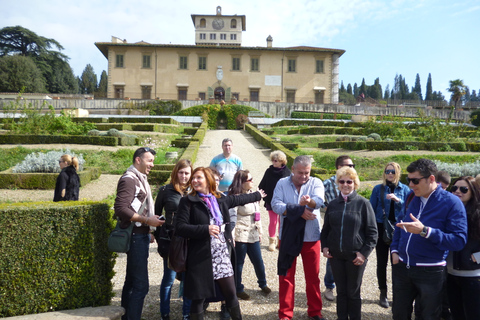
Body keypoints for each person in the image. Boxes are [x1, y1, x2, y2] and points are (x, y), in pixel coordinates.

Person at [175, 167, 266, 320]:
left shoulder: (219, 199)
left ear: (208, 180)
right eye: (194, 178)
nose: (194, 180)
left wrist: (257, 195)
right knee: (199, 298)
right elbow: (180, 228)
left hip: (221, 256)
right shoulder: (187, 201)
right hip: (200, 258)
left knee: (231, 293)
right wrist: (205, 229)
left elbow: (238, 199)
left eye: (199, 178)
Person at [392, 158, 468, 320]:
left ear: (431, 179)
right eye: (408, 180)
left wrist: (426, 231)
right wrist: (395, 250)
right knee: (399, 314)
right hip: (402, 268)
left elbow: (459, 240)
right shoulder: (411, 197)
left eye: (415, 180)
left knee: (428, 316)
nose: (411, 185)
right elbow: (400, 223)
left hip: (431, 272)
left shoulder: (452, 203)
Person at [271, 155, 325, 320]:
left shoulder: (315, 182)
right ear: (292, 169)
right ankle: (285, 314)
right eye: (300, 172)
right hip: (288, 237)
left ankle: (315, 311)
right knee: (286, 276)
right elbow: (275, 204)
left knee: (313, 277)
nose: (303, 176)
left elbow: (319, 200)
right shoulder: (282, 183)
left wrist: (309, 203)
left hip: (311, 237)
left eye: (306, 173)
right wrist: (299, 210)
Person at [321, 166, 378, 320]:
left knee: (353, 292)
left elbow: (372, 233)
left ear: (355, 184)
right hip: (336, 256)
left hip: (355, 257)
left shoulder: (363, 204)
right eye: (342, 181)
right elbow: (325, 230)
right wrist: (325, 246)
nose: (345, 184)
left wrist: (364, 253)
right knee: (341, 291)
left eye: (349, 181)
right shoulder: (332, 204)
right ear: (338, 183)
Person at [114, 147, 164, 320]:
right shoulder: (129, 179)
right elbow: (120, 209)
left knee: (131, 282)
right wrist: (146, 221)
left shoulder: (139, 178)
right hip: (135, 237)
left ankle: (126, 316)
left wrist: (148, 228)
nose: (152, 164)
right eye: (149, 160)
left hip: (140, 235)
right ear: (138, 160)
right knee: (141, 286)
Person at [153, 159, 193, 320]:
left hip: (190, 240)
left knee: (188, 278)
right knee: (169, 279)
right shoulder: (165, 190)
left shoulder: (194, 191)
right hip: (171, 240)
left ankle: (186, 313)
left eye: (187, 173)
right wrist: (158, 237)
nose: (184, 176)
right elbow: (156, 216)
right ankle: (165, 313)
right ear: (176, 172)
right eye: (181, 172)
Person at [369, 162, 410, 308]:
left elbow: (410, 209)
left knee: (397, 263)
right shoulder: (378, 189)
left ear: (398, 172)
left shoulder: (405, 189)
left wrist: (398, 200)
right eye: (387, 171)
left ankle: (397, 294)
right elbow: (371, 211)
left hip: (399, 229)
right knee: (381, 262)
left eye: (392, 171)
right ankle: (383, 293)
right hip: (381, 228)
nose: (390, 174)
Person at [228, 170, 271, 301]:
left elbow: (257, 215)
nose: (252, 181)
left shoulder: (253, 195)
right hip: (240, 234)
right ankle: (238, 288)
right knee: (239, 263)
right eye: (249, 179)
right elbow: (232, 218)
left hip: (253, 233)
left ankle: (263, 283)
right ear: (241, 182)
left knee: (258, 261)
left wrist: (260, 231)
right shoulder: (235, 197)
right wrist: (231, 236)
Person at [321, 155, 354, 301]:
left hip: (350, 225)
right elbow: (318, 200)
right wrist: (327, 208)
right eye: (349, 165)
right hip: (334, 225)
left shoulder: (352, 181)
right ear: (339, 167)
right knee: (332, 257)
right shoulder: (327, 183)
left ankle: (346, 287)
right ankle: (329, 286)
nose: (352, 168)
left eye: (353, 165)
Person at [447, 176, 480, 320]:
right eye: (454, 188)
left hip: (473, 276)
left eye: (463, 189)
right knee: (456, 314)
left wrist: (477, 257)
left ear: (472, 191)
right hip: (450, 274)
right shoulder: (448, 212)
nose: (458, 191)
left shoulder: (478, 214)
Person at [258, 150, 291, 251]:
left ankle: (280, 241)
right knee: (273, 221)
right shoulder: (269, 171)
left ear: (282, 161)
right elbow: (262, 184)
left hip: (284, 201)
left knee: (282, 221)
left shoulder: (287, 172)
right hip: (271, 200)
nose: (274, 162)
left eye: (276, 160)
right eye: (273, 160)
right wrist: (259, 195)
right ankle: (272, 241)